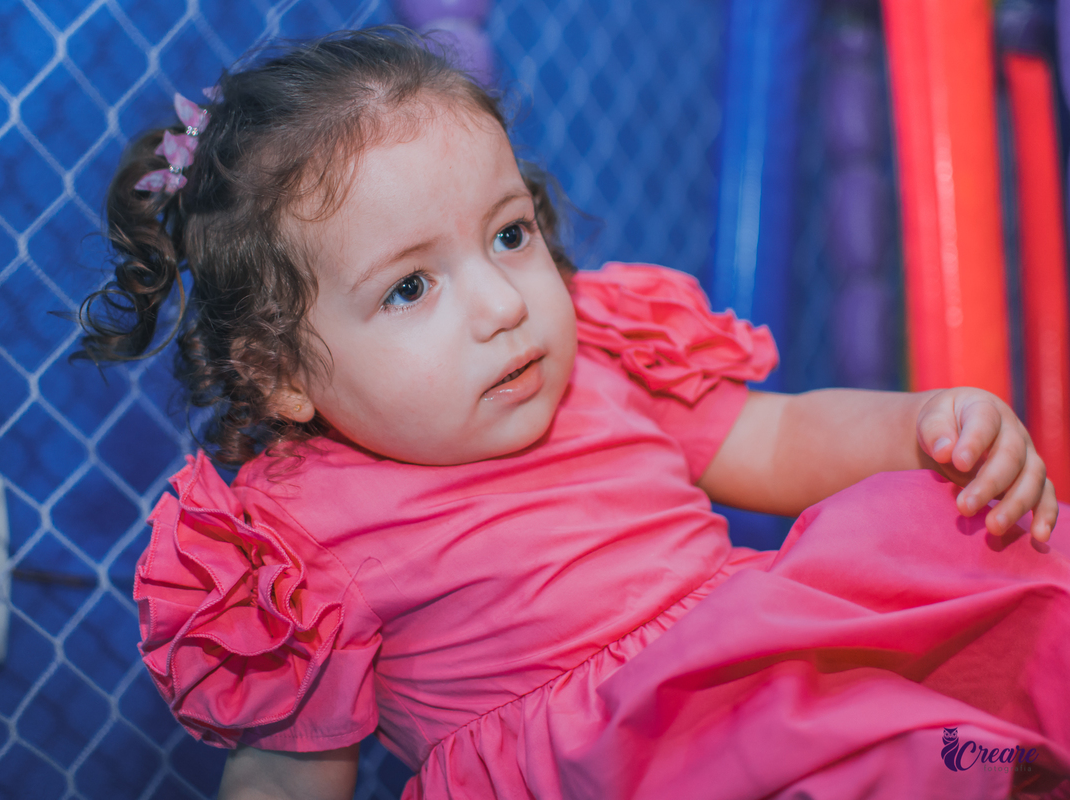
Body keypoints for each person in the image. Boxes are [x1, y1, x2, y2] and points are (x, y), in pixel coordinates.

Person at [79, 27, 1070, 800]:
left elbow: (779, 435)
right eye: (410, 287)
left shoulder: (600, 360)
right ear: (280, 372)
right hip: (598, 771)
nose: (503, 303)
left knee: (957, 537)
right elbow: (288, 774)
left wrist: (924, 426)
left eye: (509, 234)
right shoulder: (301, 535)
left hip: (760, 694)